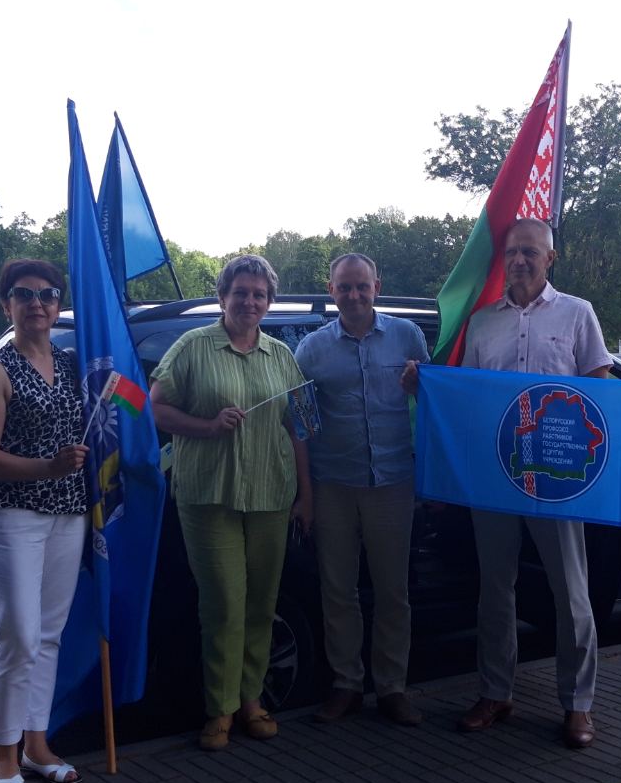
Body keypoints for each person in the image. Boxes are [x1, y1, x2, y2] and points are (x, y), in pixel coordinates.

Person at [457, 217, 619, 750]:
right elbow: (468, 395)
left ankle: (578, 704)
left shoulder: (578, 313)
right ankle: (495, 693)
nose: (520, 260)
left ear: (550, 258)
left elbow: (599, 392)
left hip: (557, 477)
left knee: (571, 592)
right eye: (513, 252)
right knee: (493, 589)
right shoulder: (482, 323)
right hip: (496, 475)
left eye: (531, 251)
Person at [149, 254, 313, 752]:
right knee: (223, 603)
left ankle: (252, 701)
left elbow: (299, 427)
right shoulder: (192, 346)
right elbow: (152, 407)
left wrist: (307, 494)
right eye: (240, 292)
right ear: (223, 296)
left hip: (270, 494)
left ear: (269, 302)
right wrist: (206, 426)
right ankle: (219, 708)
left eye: (259, 294)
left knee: (262, 603)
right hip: (209, 495)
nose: (249, 301)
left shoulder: (281, 355)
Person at [0, 259, 90, 783]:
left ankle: (38, 744)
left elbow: (128, 404)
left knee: (48, 634)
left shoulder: (71, 363)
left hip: (68, 513)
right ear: (6, 305)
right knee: (16, 634)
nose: (36, 303)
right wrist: (47, 467)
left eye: (47, 294)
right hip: (10, 515)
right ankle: (3, 752)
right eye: (23, 294)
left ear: (59, 304)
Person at [295, 253, 428, 727]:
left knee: (393, 591)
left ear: (377, 286)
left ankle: (392, 688)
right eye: (344, 287)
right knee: (338, 590)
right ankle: (346, 685)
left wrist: (418, 386)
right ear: (331, 290)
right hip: (333, 484)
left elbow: (433, 404)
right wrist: (305, 493)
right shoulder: (311, 349)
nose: (353, 295)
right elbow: (299, 422)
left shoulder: (407, 336)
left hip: (393, 481)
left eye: (361, 286)